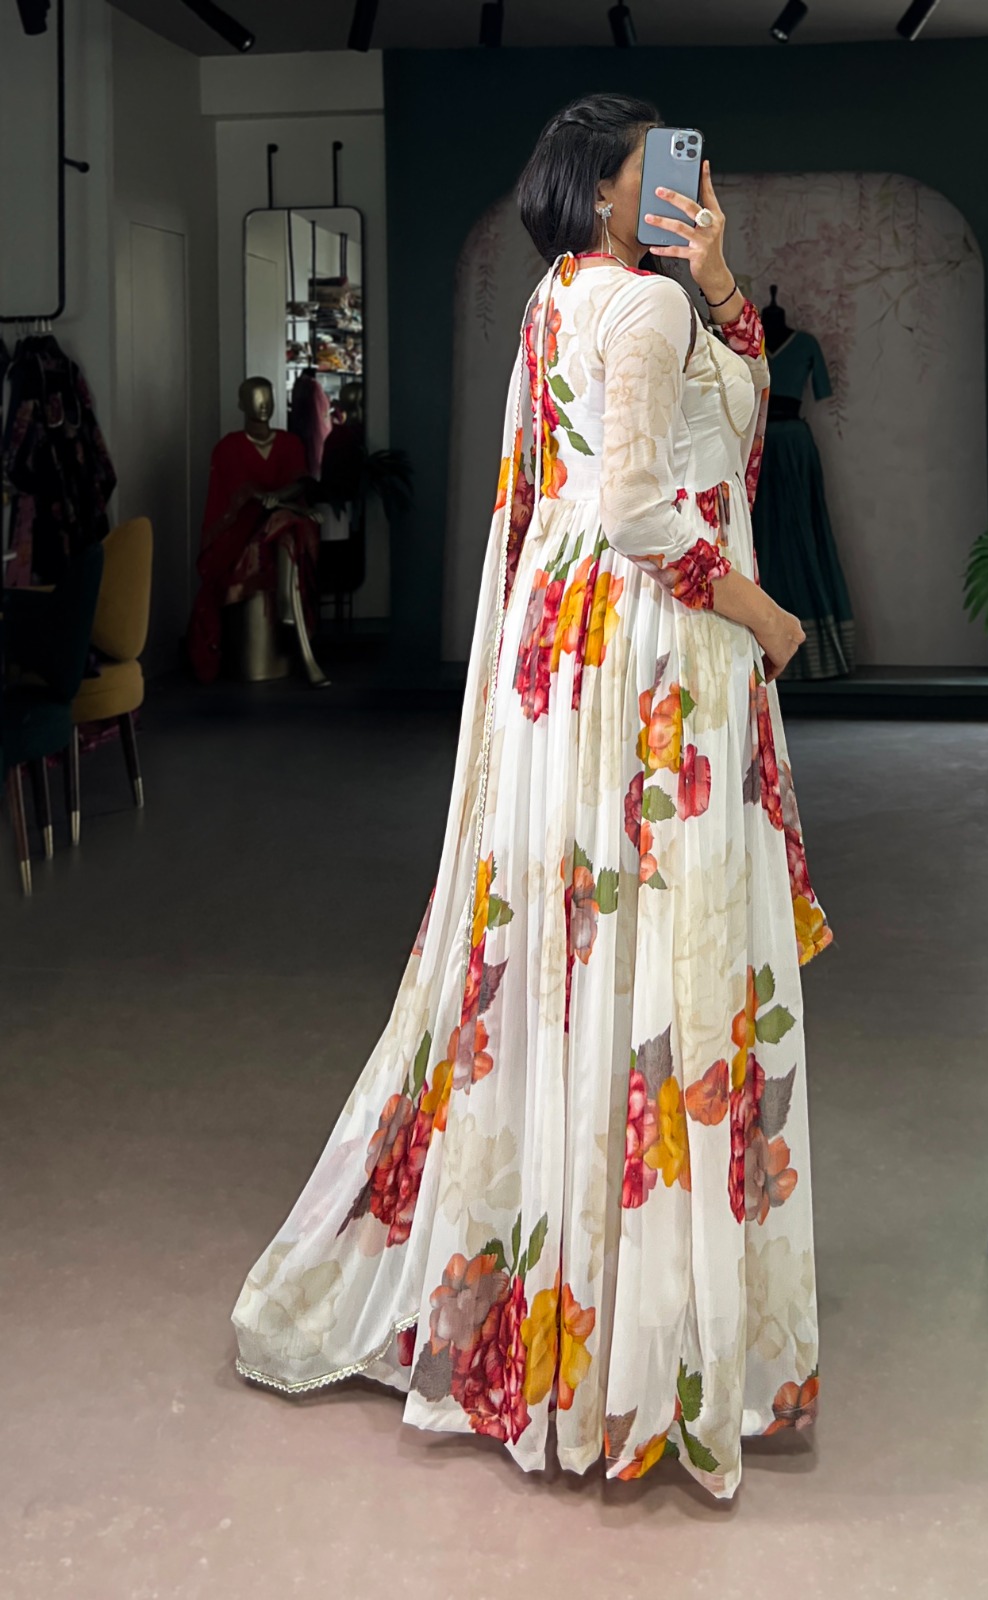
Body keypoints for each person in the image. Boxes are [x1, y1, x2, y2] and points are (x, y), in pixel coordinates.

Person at [230, 94, 834, 1498]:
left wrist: (722, 281)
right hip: (649, 653)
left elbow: (711, 430)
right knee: (657, 955)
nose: (676, 180)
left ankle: (588, 1293)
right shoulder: (638, 306)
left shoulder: (562, 296)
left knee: (575, 952)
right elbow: (641, 506)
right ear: (607, 190)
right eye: (650, 168)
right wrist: (765, 617)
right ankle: (638, 1338)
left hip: (563, 652)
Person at [187, 377, 328, 687]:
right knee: (284, 523)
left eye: (268, 397)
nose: (263, 404)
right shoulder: (228, 448)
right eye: (254, 397)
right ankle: (291, 614)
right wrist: (262, 498)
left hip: (285, 522)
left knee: (287, 524)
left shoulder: (289, 443)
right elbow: (235, 498)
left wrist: (280, 499)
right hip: (242, 528)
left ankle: (287, 605)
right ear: (241, 403)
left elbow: (299, 482)